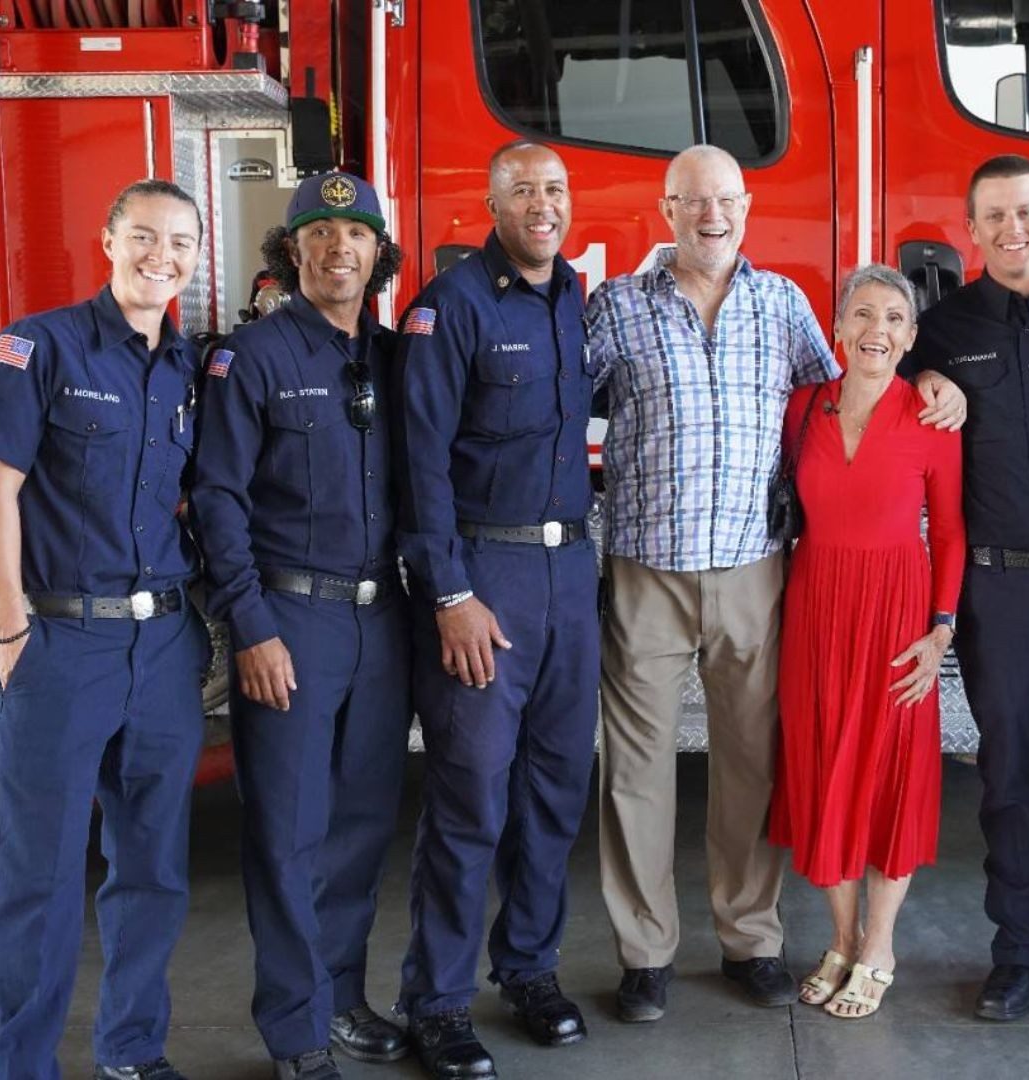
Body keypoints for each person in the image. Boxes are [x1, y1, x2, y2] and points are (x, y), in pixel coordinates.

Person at [586, 144, 967, 1023]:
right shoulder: (616, 307)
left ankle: (750, 939)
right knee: (636, 770)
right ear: (667, 208)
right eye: (692, 201)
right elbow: (557, 404)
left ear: (746, 206)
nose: (710, 215)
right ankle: (645, 956)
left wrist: (933, 380)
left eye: (725, 199)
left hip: (758, 568)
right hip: (648, 565)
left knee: (752, 763)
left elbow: (849, 394)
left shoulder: (784, 305)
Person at [189, 173, 410, 1079]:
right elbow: (215, 501)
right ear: (291, 255)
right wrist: (252, 628)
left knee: (361, 824)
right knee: (288, 830)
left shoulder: (400, 360)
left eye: (355, 235)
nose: (338, 250)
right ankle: (295, 1030)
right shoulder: (254, 358)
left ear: (377, 254)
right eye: (318, 235)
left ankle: (342, 994)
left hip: (382, 620)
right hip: (290, 620)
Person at [393, 141, 598, 1080]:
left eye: (554, 189)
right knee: (470, 799)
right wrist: (451, 593)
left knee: (554, 795)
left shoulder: (572, 299)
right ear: (491, 202)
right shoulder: (450, 307)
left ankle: (527, 968)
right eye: (523, 191)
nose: (542, 205)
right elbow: (420, 463)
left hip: (569, 576)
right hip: (486, 578)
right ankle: (435, 1002)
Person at [0, 179, 209, 1080]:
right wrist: (8, 630)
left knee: (153, 867)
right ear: (108, 240)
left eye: (182, 244)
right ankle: (23, 1063)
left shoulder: (193, 367)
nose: (163, 257)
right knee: (38, 881)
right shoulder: (38, 346)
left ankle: (131, 1049)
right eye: (146, 238)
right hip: (58, 644)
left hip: (162, 646)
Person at [903, 154, 1029, 1022]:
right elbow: (882, 391)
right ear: (969, 232)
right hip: (998, 595)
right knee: (1007, 780)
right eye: (995, 218)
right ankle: (1018, 960)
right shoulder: (941, 329)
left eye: (1027, 213)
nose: (1013, 230)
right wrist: (922, 380)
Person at [769, 264, 965, 1018]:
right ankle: (843, 939)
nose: (875, 331)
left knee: (887, 779)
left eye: (892, 319)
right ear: (839, 326)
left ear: (911, 337)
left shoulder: (931, 416)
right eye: (861, 315)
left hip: (896, 617)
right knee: (823, 772)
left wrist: (940, 629)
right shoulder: (803, 408)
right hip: (815, 608)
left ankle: (880, 945)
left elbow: (947, 531)